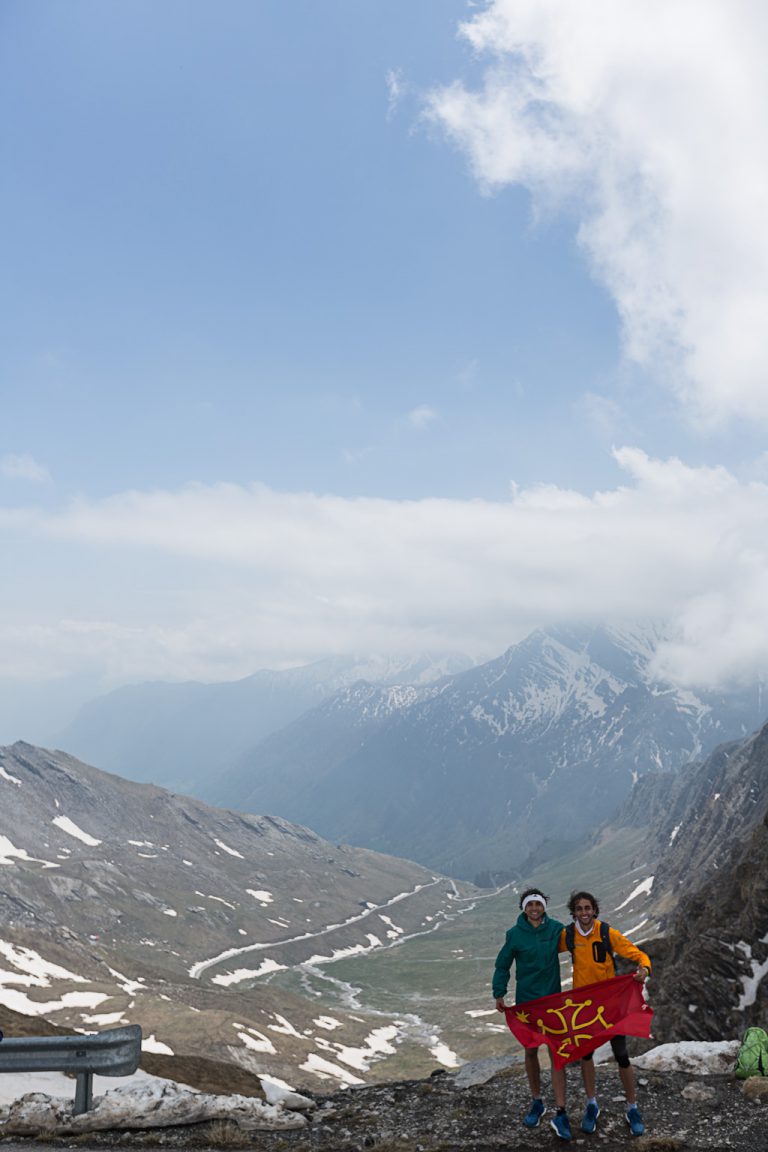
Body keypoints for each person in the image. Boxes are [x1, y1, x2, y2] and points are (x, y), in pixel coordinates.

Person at [560, 890, 651, 1137]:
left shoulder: (606, 932)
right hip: (584, 1007)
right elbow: (543, 948)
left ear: (594, 910)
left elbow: (638, 954)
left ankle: (632, 1107)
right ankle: (592, 1104)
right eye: (579, 909)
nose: (584, 913)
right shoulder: (568, 935)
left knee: (621, 1054)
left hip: (610, 1005)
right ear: (574, 912)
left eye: (587, 908)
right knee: (586, 1054)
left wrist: (644, 969)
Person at [493, 887, 572, 1141]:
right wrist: (499, 992)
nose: (535, 909)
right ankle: (537, 1101)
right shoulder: (514, 935)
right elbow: (503, 964)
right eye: (530, 905)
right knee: (530, 1050)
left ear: (544, 907)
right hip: (527, 1003)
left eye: (538, 904)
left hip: (552, 1001)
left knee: (556, 1052)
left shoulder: (556, 929)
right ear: (524, 909)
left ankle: (561, 1111)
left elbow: (578, 944)